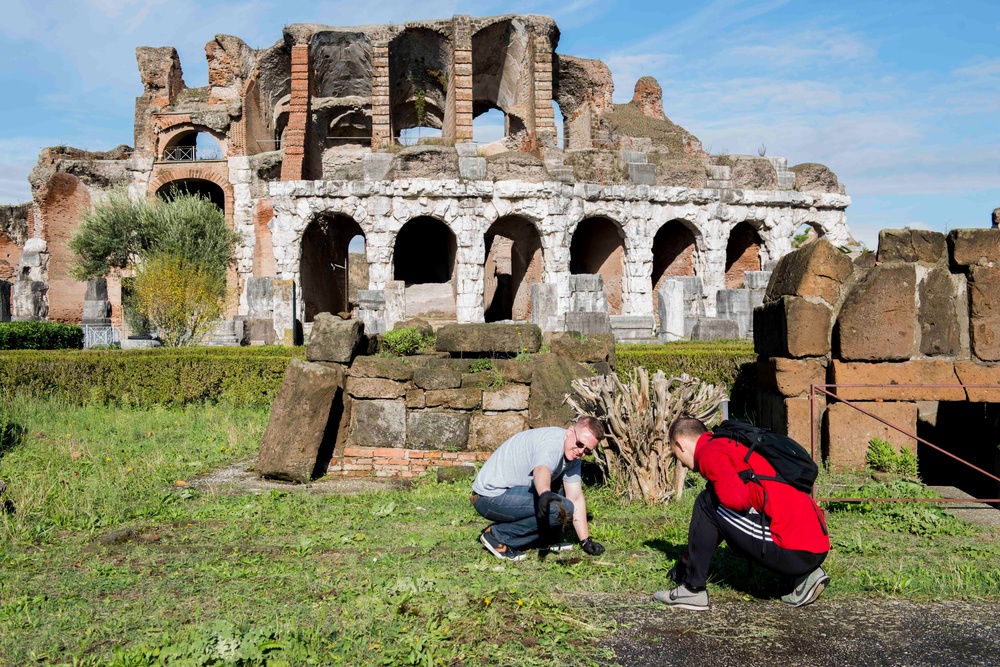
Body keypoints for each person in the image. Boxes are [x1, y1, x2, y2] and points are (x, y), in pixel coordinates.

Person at [654, 417, 830, 610]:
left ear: (680, 444)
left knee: (706, 501)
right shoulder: (729, 443)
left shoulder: (708, 452)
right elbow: (720, 520)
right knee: (713, 501)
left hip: (796, 551)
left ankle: (693, 589)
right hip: (815, 546)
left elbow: (736, 502)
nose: (683, 465)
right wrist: (687, 561)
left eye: (676, 456)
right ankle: (807, 575)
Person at [471, 417, 607, 561]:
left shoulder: (573, 456)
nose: (581, 451)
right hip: (488, 497)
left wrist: (586, 541)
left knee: (562, 493)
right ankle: (497, 536)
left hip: (510, 491)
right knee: (562, 507)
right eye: (580, 444)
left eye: (587, 451)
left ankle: (546, 540)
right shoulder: (553, 443)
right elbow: (541, 469)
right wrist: (544, 494)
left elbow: (576, 497)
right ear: (569, 432)